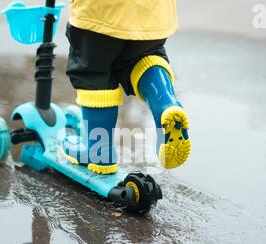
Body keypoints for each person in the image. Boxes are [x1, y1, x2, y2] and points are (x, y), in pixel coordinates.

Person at [61, 0, 191, 174]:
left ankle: (99, 152)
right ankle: (166, 102)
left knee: (93, 72)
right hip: (153, 11)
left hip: (101, 12)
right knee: (144, 58)